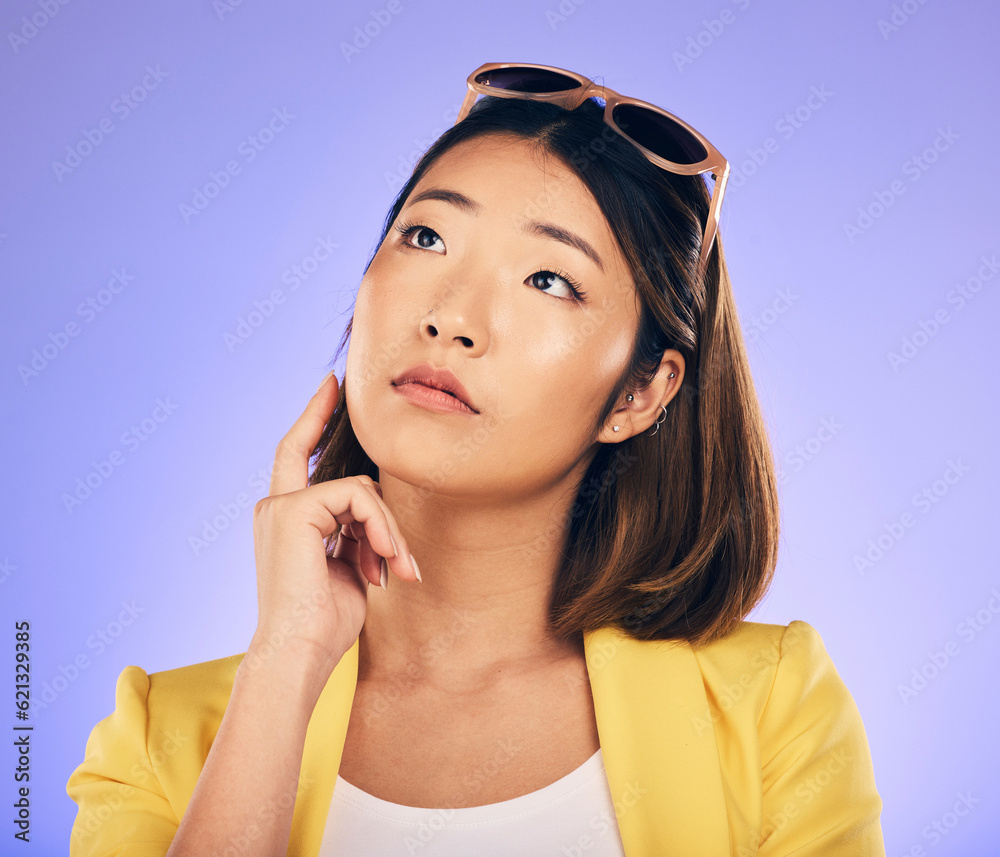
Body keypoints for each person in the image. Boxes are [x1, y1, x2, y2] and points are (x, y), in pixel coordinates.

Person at [66, 62, 886, 856]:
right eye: (426, 235)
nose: (452, 316)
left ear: (639, 392)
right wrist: (284, 662)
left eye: (548, 280)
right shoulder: (156, 736)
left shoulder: (772, 705)